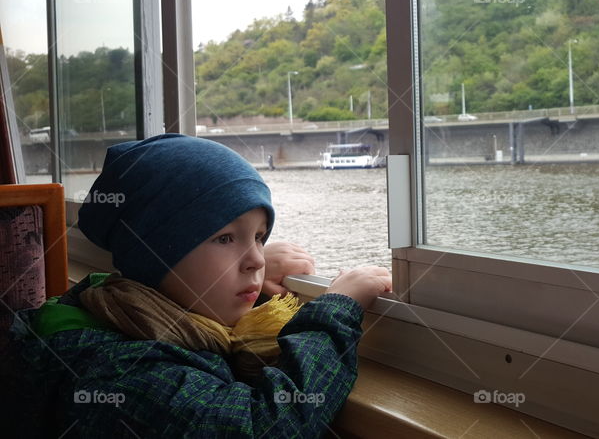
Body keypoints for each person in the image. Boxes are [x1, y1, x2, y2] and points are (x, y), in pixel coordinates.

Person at [7, 133, 391, 437]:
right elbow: (260, 428)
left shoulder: (117, 304)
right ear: (156, 256)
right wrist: (338, 307)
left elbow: (187, 289)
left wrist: (242, 263)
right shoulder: (121, 374)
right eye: (225, 238)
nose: (256, 258)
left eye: (258, 236)